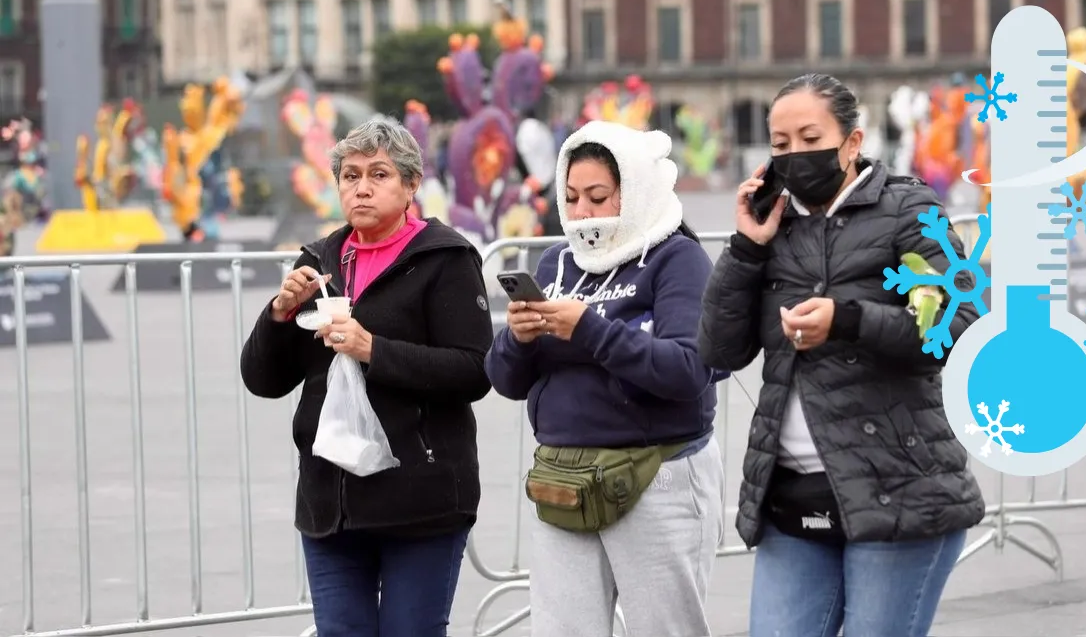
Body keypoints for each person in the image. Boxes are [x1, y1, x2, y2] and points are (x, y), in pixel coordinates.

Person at [697, 74, 986, 637]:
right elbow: (718, 350)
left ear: (852, 143)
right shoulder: (774, 225)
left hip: (899, 491)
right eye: (780, 144)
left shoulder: (908, 209)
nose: (795, 156)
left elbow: (957, 327)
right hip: (792, 495)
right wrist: (746, 247)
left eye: (810, 139)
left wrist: (848, 320)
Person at [239, 117, 494, 637]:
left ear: (410, 184)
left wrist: (373, 350)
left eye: (379, 174)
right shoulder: (319, 260)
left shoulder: (445, 258)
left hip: (420, 501)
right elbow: (263, 380)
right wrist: (279, 314)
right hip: (331, 503)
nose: (362, 187)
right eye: (350, 176)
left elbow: (474, 370)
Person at [484, 120, 726, 637]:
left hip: (657, 475)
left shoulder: (676, 257)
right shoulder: (556, 262)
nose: (582, 213)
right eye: (571, 198)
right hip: (564, 478)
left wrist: (590, 330)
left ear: (633, 191)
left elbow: (689, 369)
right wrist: (518, 339)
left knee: (665, 630)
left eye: (597, 197)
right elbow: (505, 380)